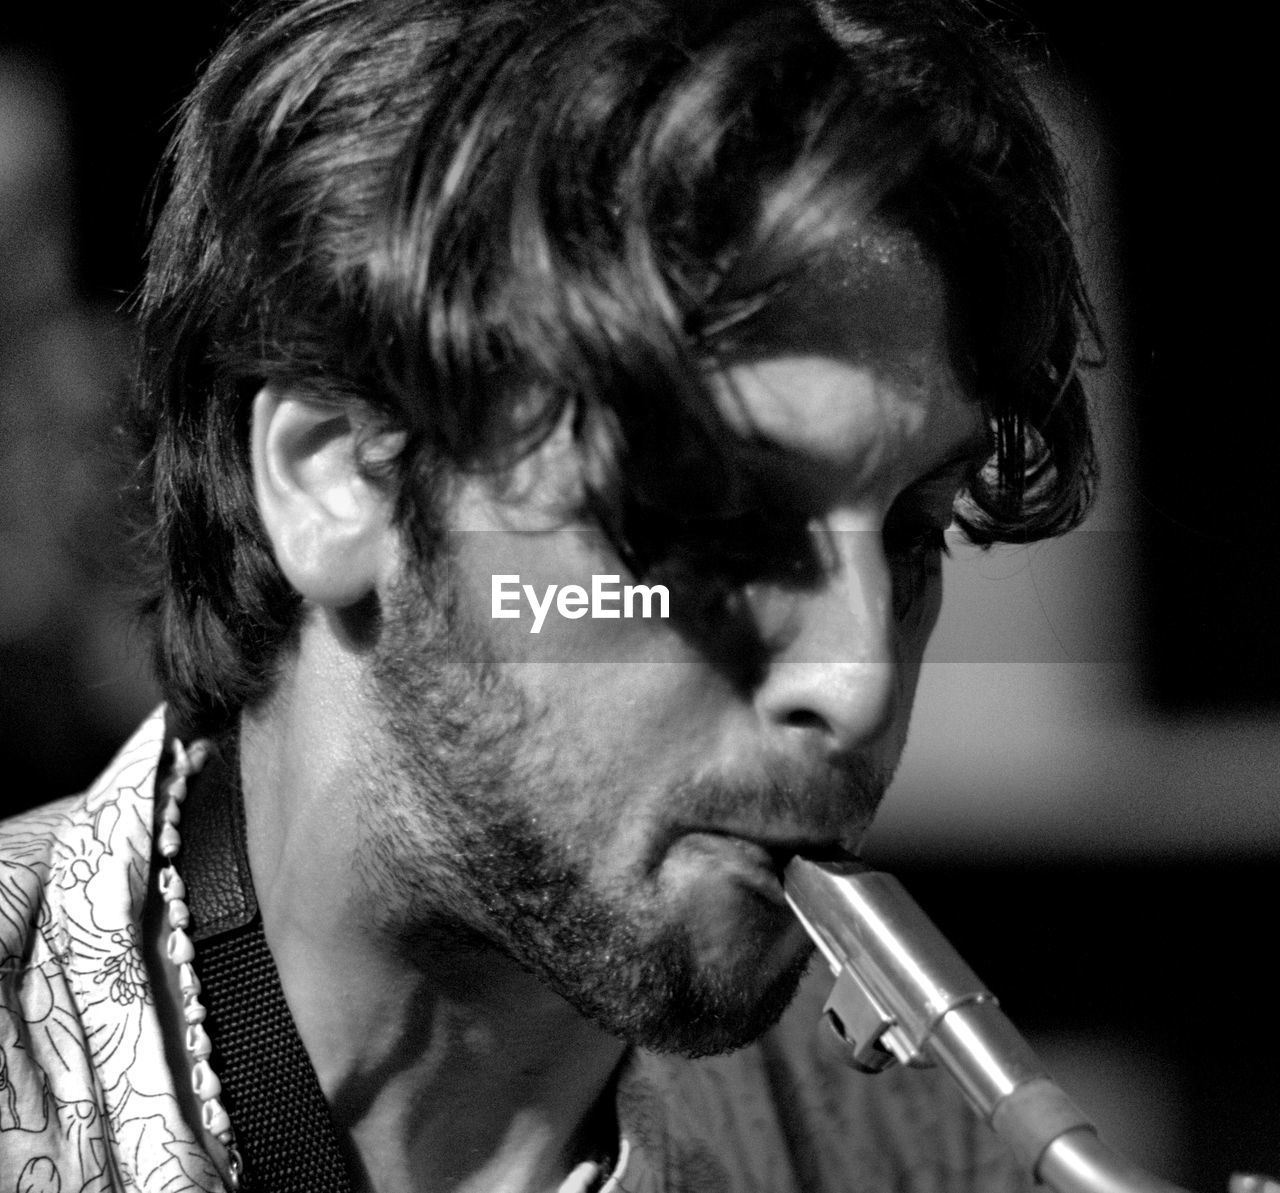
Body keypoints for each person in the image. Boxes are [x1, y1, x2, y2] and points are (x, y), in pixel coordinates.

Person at [0, 0, 1098, 1189]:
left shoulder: (920, 1153)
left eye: (912, 531)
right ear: (331, 481)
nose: (857, 676)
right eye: (716, 522)